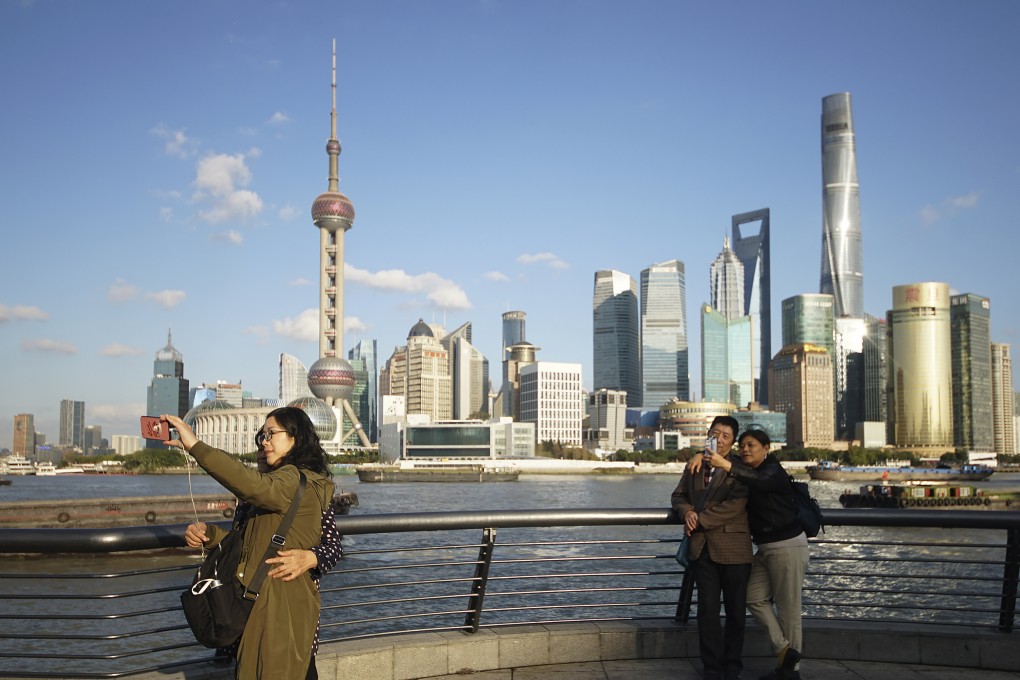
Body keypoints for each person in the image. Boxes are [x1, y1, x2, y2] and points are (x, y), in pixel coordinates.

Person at [167, 406, 335, 680]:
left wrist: (195, 445)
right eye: (261, 435)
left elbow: (247, 482)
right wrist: (210, 535)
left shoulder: (292, 481)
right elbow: (249, 541)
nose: (264, 441)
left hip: (278, 604)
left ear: (295, 438)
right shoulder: (281, 485)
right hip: (263, 598)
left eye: (271, 434)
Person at [696, 429, 808, 680]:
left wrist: (724, 464)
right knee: (751, 596)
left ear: (766, 448)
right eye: (743, 445)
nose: (746, 449)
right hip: (765, 548)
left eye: (752, 445)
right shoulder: (747, 469)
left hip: (787, 545)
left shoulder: (772, 471)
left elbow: (759, 480)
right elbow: (723, 457)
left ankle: (792, 673)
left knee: (789, 611)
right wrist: (698, 455)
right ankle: (784, 652)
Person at [671, 415, 753, 680]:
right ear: (707, 433)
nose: (718, 438)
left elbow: (735, 506)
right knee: (707, 612)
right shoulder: (695, 466)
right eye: (714, 432)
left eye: (725, 436)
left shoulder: (740, 468)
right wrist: (686, 513)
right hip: (701, 549)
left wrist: (699, 519)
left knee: (736, 612)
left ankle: (732, 666)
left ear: (733, 442)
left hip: (734, 549)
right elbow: (678, 496)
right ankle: (712, 668)